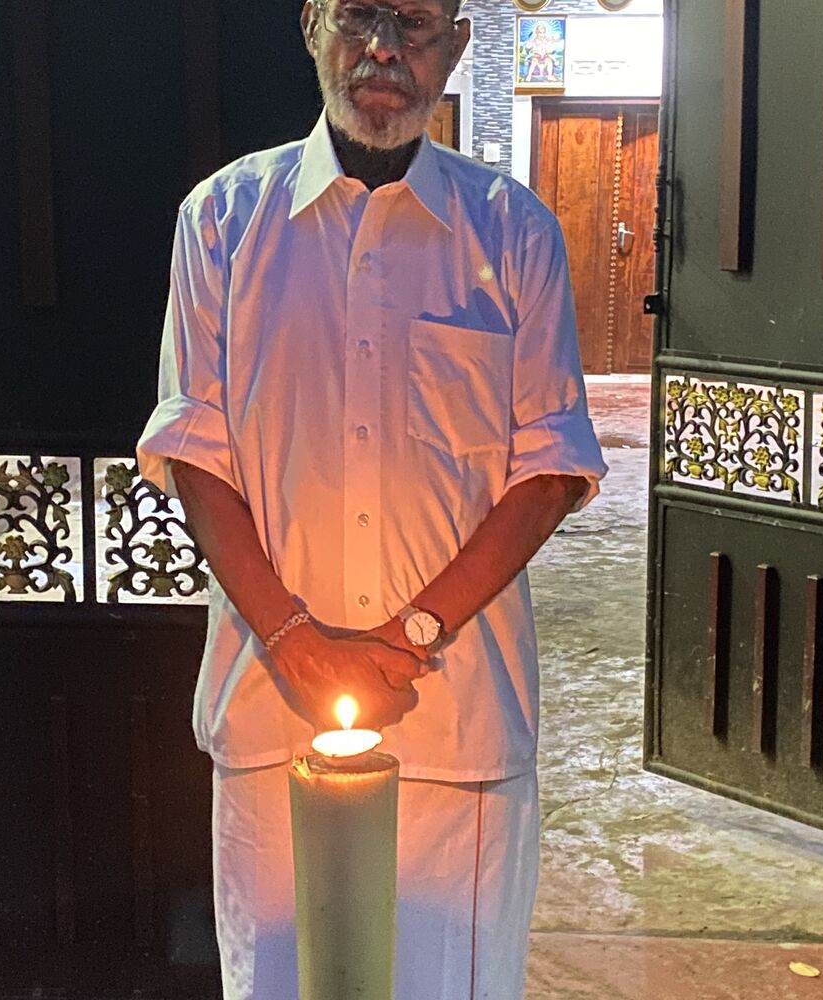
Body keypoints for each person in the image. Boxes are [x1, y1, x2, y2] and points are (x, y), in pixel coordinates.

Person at [137, 1, 607, 997]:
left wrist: (412, 632)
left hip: (458, 729)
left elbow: (548, 469)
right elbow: (196, 453)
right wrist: (294, 641)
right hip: (271, 718)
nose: (385, 48)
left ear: (458, 46)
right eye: (358, 15)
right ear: (312, 24)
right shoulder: (223, 221)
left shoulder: (512, 231)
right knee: (280, 982)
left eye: (417, 22)